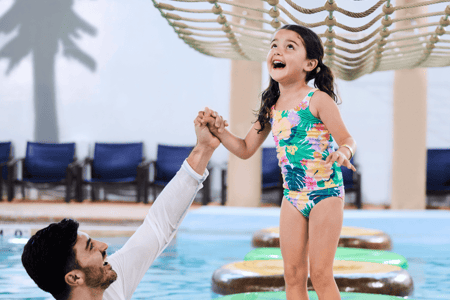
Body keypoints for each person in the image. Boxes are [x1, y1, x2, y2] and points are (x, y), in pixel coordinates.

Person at [198, 24, 356, 300]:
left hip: (325, 193)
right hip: (292, 197)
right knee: (293, 276)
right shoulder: (271, 107)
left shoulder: (317, 99)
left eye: (289, 46)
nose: (277, 51)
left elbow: (347, 138)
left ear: (310, 63)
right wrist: (219, 130)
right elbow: (246, 148)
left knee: (320, 274)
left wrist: (344, 152)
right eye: (274, 45)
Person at [21, 119, 223, 300]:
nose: (104, 246)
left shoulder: (108, 284)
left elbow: (159, 225)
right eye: (91, 247)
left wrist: (203, 149)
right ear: (74, 277)